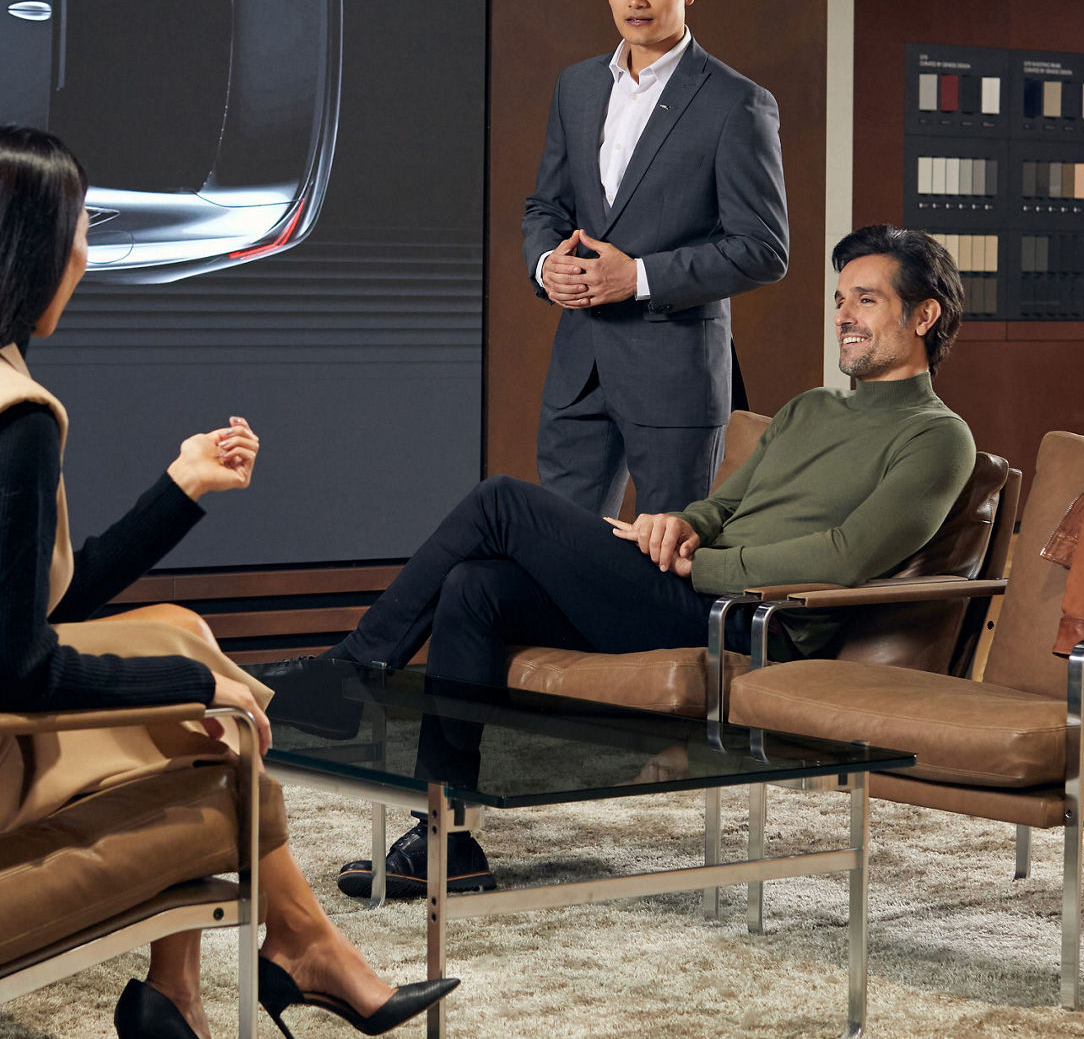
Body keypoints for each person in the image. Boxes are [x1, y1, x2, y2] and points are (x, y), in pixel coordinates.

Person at [0, 126, 455, 1039]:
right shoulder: (13, 420)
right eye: (81, 226)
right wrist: (197, 689)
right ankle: (298, 949)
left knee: (178, 626)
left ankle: (188, 989)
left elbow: (44, 603)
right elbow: (19, 671)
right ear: (30, 249)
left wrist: (181, 487)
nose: (88, 249)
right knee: (212, 727)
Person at [269, 225, 976, 900]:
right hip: (688, 590)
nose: (844, 316)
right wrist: (672, 526)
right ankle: (446, 838)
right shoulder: (810, 410)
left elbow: (848, 557)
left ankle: (350, 673)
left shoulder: (938, 438)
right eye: (840, 299)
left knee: (501, 504)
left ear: (924, 316)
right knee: (474, 585)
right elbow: (720, 508)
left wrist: (697, 568)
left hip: (750, 622)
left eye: (867, 299)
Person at [526, 0, 789, 520]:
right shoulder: (577, 87)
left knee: (664, 564)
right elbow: (546, 205)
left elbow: (763, 248)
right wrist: (546, 265)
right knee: (558, 555)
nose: (634, 1)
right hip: (578, 369)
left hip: (674, 378)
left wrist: (638, 276)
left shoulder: (737, 102)